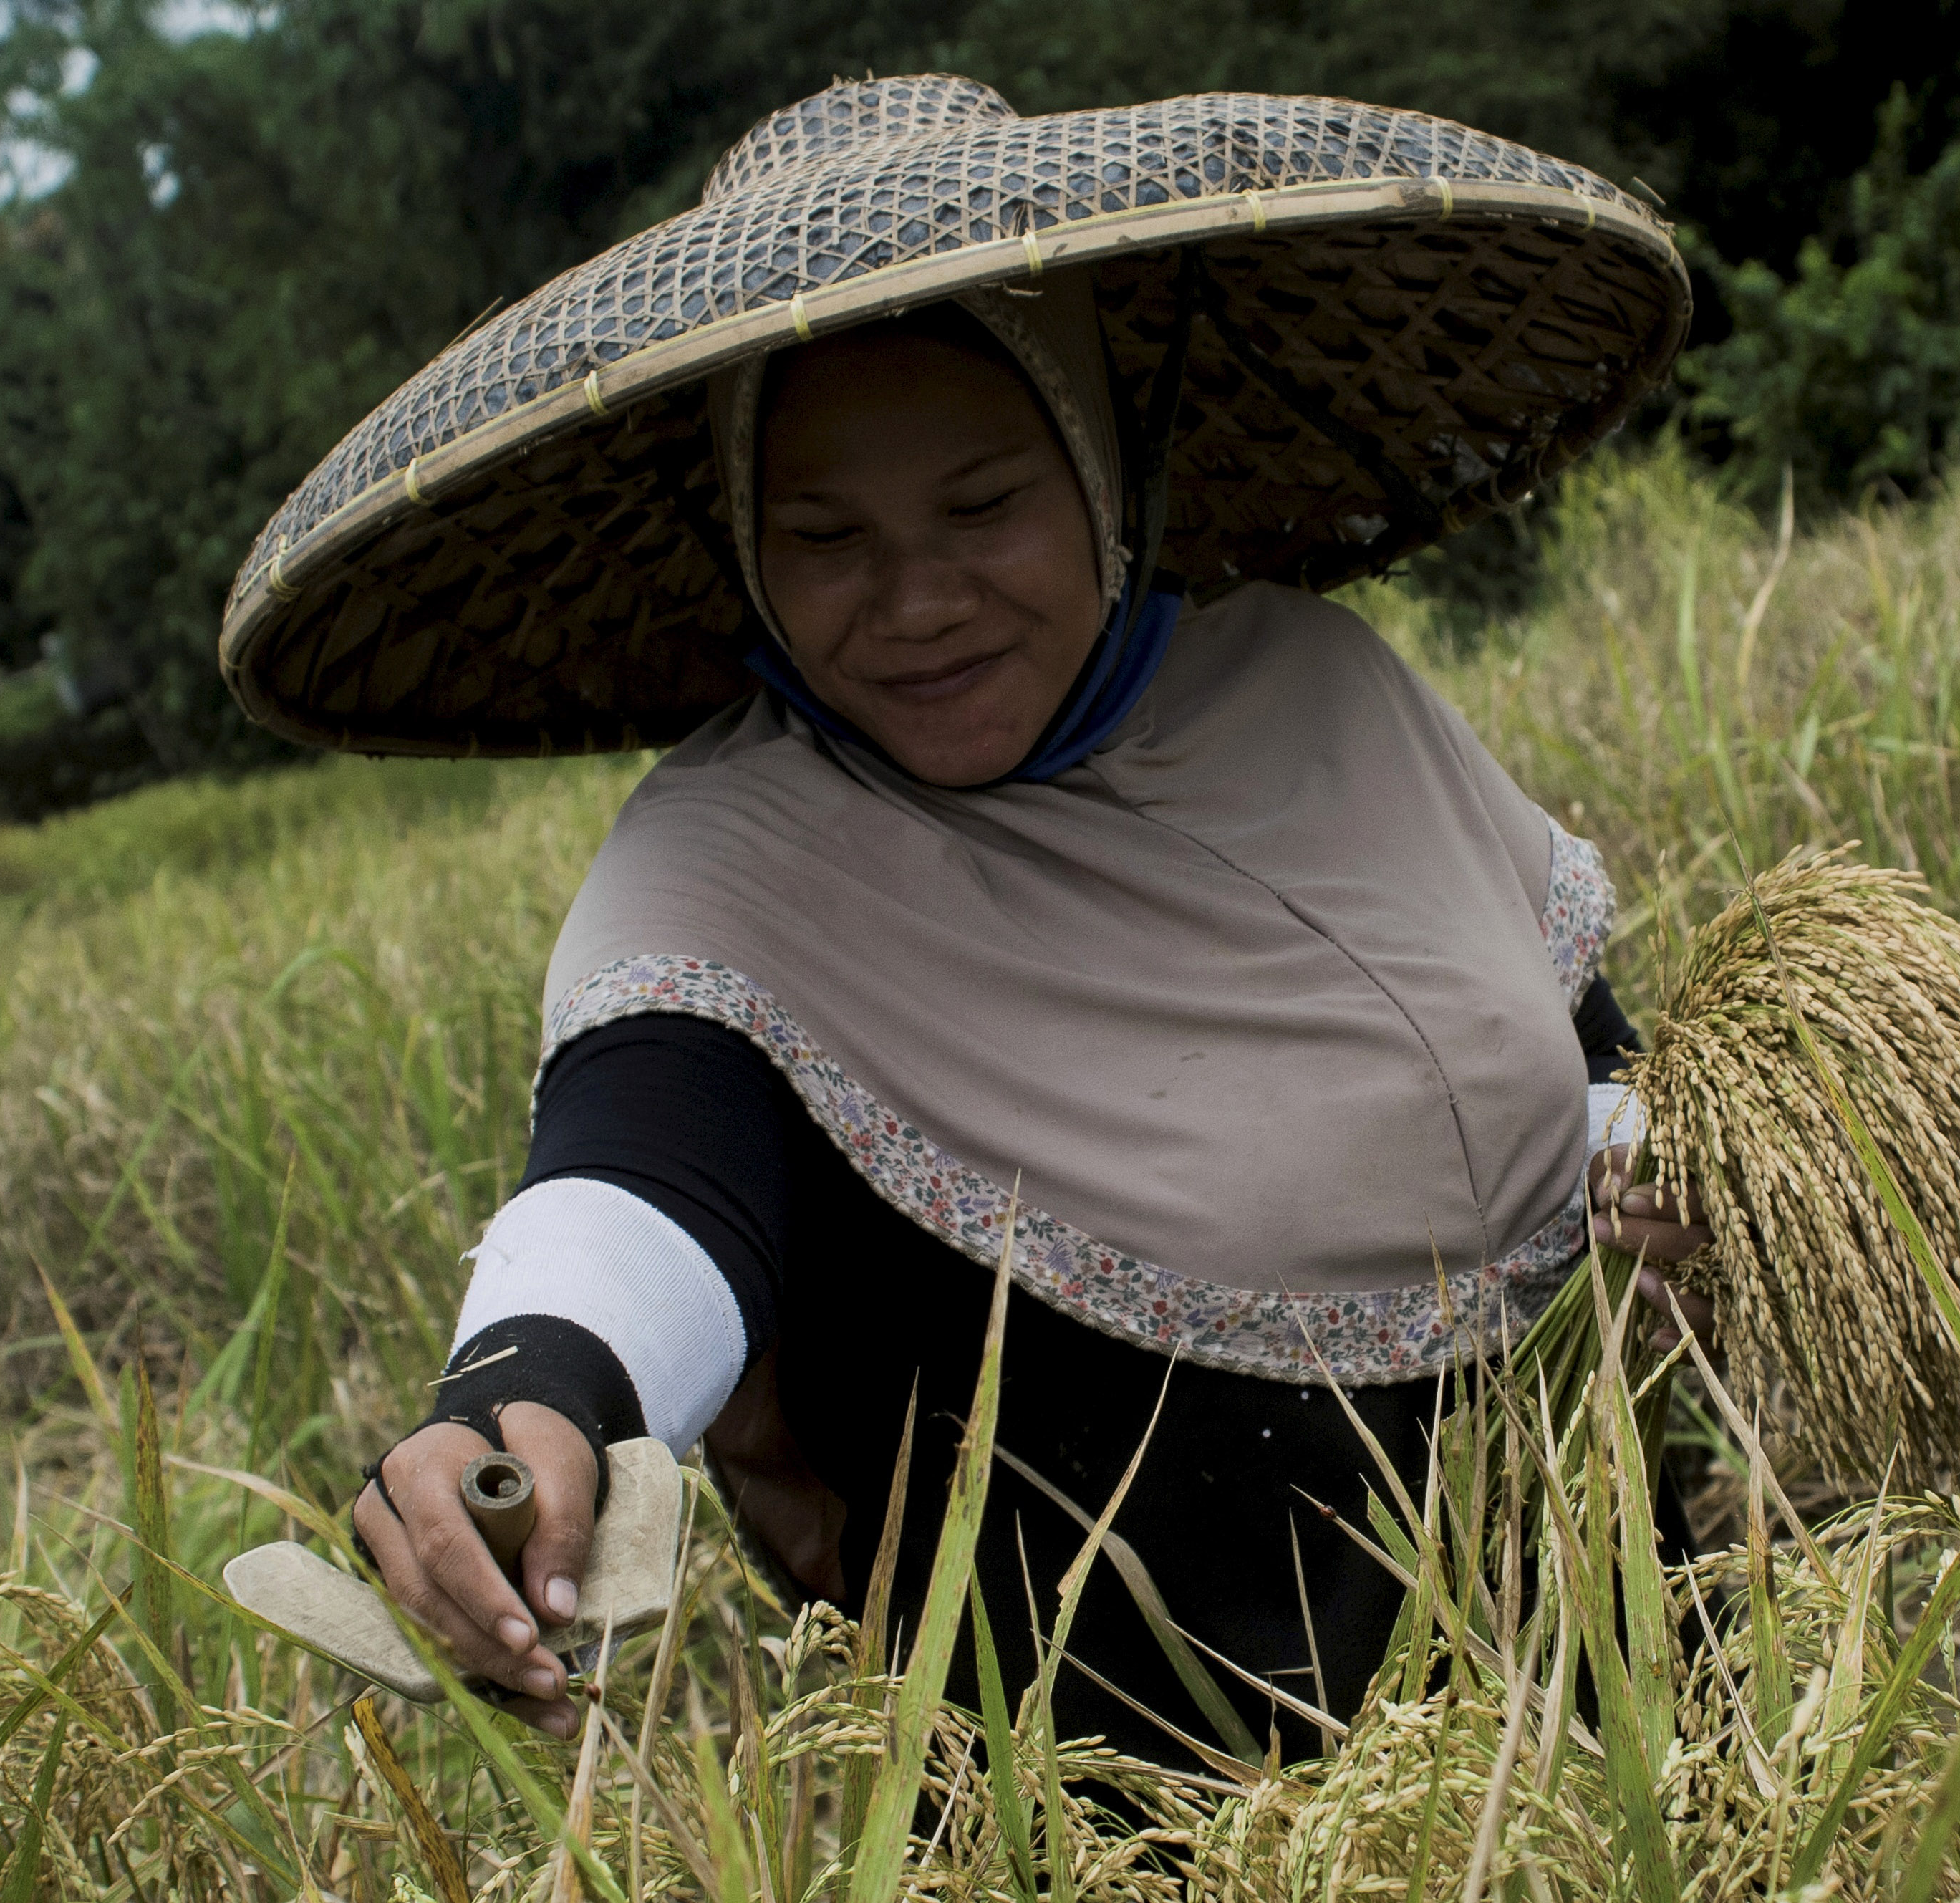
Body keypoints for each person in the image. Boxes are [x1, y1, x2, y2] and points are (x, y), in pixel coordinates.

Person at [219, 75, 1699, 1756]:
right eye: (823, 538)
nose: (915, 604)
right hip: (1130, 1771)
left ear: (1099, 466)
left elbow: (1579, 1047)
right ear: (745, 554)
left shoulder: (1315, 688)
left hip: (1607, 1655)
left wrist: (1658, 1159)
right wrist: (530, 1398)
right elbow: (645, 1169)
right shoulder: (740, 851)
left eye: (984, 506)